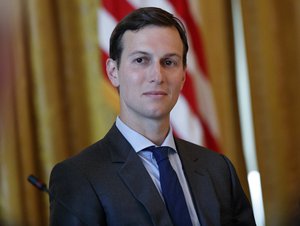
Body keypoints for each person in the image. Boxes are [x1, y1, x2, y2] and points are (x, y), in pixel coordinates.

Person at [49, 7, 256, 226]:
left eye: (169, 62)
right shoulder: (79, 177)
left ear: (184, 75)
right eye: (141, 60)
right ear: (113, 72)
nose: (157, 76)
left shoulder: (218, 169)